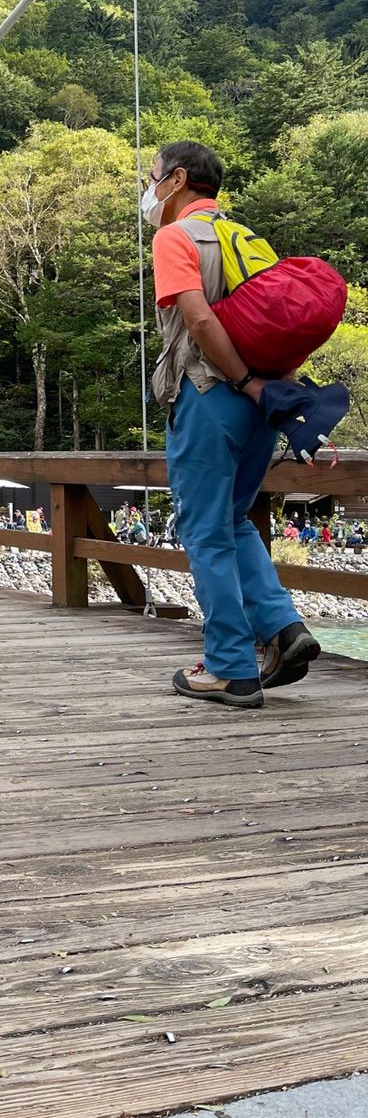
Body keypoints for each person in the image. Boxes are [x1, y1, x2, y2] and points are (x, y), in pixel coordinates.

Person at [146, 139, 320, 707]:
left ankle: (229, 667)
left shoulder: (175, 237)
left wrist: (242, 378)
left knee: (203, 531)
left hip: (211, 394)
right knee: (234, 519)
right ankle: (283, 628)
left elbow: (196, 318)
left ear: (175, 180)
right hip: (262, 403)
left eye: (152, 179)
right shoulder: (249, 238)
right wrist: (269, 390)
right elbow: (279, 323)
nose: (149, 191)